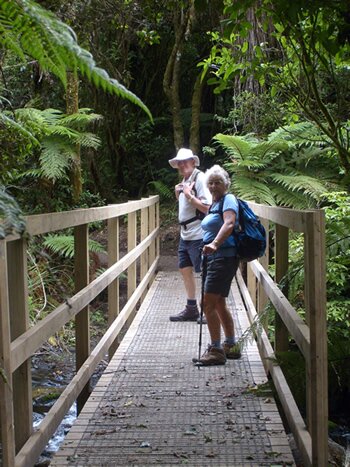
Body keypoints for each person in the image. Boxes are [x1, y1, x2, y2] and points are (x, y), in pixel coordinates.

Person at [195, 164, 241, 365]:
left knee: (206, 303)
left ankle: (216, 350)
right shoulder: (215, 203)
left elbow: (229, 223)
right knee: (219, 301)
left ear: (226, 184)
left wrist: (214, 244)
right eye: (211, 183)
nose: (213, 186)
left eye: (218, 182)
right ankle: (230, 345)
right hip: (217, 257)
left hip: (222, 256)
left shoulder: (228, 200)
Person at [168, 148, 212, 323]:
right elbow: (185, 204)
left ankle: (207, 310)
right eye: (180, 162)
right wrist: (179, 192)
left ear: (193, 162)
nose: (182, 164)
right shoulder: (186, 179)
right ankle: (191, 308)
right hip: (185, 234)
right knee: (185, 269)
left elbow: (208, 207)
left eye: (186, 161)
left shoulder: (200, 179)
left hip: (199, 233)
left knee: (204, 272)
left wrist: (189, 196)